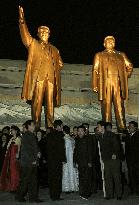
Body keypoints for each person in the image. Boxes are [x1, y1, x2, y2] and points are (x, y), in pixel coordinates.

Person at [19, 6, 63, 129]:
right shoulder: (33, 44)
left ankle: (50, 127)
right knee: (37, 104)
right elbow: (25, 36)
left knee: (50, 105)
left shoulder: (55, 49)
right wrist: (22, 21)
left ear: (49, 34)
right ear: (38, 34)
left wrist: (56, 66)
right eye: (41, 32)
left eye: (46, 32)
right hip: (38, 78)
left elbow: (60, 63)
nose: (44, 33)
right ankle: (36, 127)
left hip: (51, 80)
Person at [92, 36, 133, 131]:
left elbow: (129, 66)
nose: (110, 42)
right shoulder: (99, 55)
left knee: (119, 106)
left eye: (112, 41)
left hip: (118, 84)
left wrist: (125, 76)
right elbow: (95, 70)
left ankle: (122, 128)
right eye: (108, 41)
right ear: (104, 44)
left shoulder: (121, 54)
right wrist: (95, 84)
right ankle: (107, 128)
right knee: (106, 107)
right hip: (105, 84)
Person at [15, 120, 43, 203]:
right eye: (33, 125)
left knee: (32, 181)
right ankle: (20, 196)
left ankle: (32, 197)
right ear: (28, 126)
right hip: (29, 163)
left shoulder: (30, 135)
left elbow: (34, 147)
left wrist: (38, 152)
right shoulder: (27, 136)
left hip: (30, 162)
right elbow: (26, 151)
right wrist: (34, 160)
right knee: (26, 180)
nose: (34, 126)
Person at [97, 121, 122, 200]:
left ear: (103, 127)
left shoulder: (111, 135)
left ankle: (119, 194)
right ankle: (109, 194)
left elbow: (116, 145)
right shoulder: (100, 136)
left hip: (113, 159)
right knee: (107, 177)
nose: (98, 128)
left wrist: (114, 153)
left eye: (98, 126)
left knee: (116, 177)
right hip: (106, 159)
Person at [46, 120, 66, 201]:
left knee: (52, 178)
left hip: (51, 160)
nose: (62, 127)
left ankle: (52, 195)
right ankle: (56, 195)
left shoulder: (49, 135)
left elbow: (47, 149)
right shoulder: (59, 135)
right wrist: (63, 159)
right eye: (61, 126)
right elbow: (61, 149)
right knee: (57, 178)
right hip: (57, 161)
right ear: (58, 126)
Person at [73, 125, 93, 200]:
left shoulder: (88, 139)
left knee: (87, 178)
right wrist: (74, 161)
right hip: (80, 162)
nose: (80, 132)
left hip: (87, 162)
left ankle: (86, 194)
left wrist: (90, 161)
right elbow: (75, 151)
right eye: (79, 131)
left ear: (85, 132)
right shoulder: (77, 139)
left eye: (82, 131)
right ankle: (82, 192)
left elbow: (90, 151)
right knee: (81, 178)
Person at [0, 126, 21, 192]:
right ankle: (12, 186)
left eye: (12, 130)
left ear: (16, 131)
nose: (11, 131)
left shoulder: (19, 138)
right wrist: (6, 156)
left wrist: (18, 154)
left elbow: (20, 148)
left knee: (15, 172)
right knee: (11, 172)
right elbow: (7, 148)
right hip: (10, 158)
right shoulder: (11, 139)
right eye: (11, 130)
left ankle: (15, 186)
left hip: (15, 158)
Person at [62, 125, 79, 192]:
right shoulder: (72, 139)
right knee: (72, 171)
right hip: (72, 158)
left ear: (63, 131)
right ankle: (73, 186)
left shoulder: (64, 139)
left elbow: (65, 150)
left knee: (66, 171)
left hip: (66, 158)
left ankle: (67, 187)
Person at [125, 121, 139, 195]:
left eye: (131, 126)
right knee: (131, 175)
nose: (129, 128)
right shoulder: (128, 136)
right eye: (129, 126)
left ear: (135, 128)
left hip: (137, 160)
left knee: (137, 175)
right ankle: (133, 190)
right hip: (130, 160)